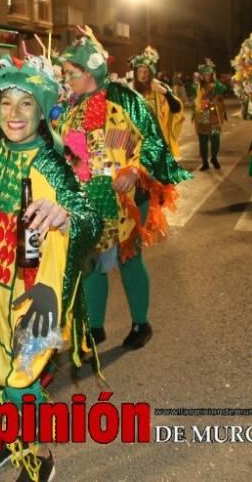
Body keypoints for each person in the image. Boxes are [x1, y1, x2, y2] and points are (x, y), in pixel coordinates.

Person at [0, 61, 101, 481]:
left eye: (26, 103)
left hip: (32, 292)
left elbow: (89, 218)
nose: (14, 113)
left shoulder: (51, 165)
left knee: (20, 382)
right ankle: (1, 434)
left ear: (41, 113)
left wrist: (63, 213)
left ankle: (39, 456)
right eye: (5, 103)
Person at [58, 30, 190, 352]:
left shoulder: (124, 97)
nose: (67, 81)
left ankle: (141, 323)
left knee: (129, 257)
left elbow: (154, 141)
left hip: (129, 197)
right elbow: (72, 156)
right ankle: (96, 327)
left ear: (89, 73)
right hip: (93, 198)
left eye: (71, 75)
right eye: (65, 75)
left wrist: (134, 170)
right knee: (91, 260)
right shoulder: (73, 110)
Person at [129, 46, 185, 159]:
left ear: (151, 73)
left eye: (146, 71)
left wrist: (164, 92)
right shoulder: (131, 90)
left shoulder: (160, 87)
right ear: (136, 74)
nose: (143, 74)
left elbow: (176, 108)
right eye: (140, 71)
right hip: (137, 142)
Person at [193, 59, 228, 170]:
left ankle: (214, 157)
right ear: (202, 75)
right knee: (203, 140)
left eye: (209, 74)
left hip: (214, 115)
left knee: (215, 139)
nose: (207, 77)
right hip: (202, 114)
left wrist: (215, 81)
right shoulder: (197, 86)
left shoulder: (216, 85)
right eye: (205, 74)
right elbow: (192, 92)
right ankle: (204, 162)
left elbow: (224, 89)